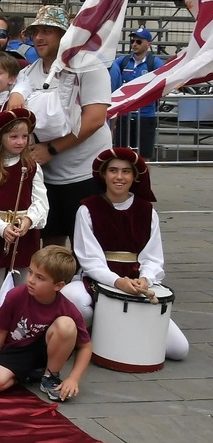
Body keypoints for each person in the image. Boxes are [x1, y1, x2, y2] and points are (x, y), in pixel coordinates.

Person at [63, 148, 188, 361]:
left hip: (136, 280)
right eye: (113, 170)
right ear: (103, 174)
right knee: (74, 299)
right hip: (96, 279)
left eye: (125, 171)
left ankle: (119, 333)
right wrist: (116, 281)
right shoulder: (88, 209)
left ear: (134, 176)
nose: (119, 177)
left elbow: (153, 257)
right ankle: (88, 336)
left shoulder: (147, 211)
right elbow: (89, 259)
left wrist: (145, 279)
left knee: (179, 350)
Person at [19, 5, 111, 247]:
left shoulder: (89, 66)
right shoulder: (30, 73)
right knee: (51, 247)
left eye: (48, 31)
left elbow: (94, 119)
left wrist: (51, 149)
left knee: (87, 247)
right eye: (35, 31)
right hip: (47, 177)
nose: (38, 37)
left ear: (65, 35)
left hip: (86, 173)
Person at [0, 245, 92, 402]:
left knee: (66, 325)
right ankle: (29, 375)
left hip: (45, 351)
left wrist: (73, 378)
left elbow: (85, 347)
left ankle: (50, 375)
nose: (30, 280)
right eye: (30, 272)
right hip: (16, 351)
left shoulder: (67, 307)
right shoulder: (16, 295)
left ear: (58, 286)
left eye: (40, 278)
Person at [0, 109, 48, 316]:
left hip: (24, 232)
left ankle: (21, 324)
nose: (20, 142)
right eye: (14, 136)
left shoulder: (32, 167)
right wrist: (1, 227)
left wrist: (28, 220)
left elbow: (41, 201)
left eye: (25, 137)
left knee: (25, 280)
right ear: (1, 138)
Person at [109, 27, 164, 158]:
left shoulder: (155, 63)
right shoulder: (122, 61)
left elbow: (161, 84)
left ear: (148, 44)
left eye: (139, 42)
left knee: (144, 157)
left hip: (145, 115)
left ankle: (143, 179)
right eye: (132, 41)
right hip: (124, 115)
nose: (134, 44)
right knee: (121, 156)